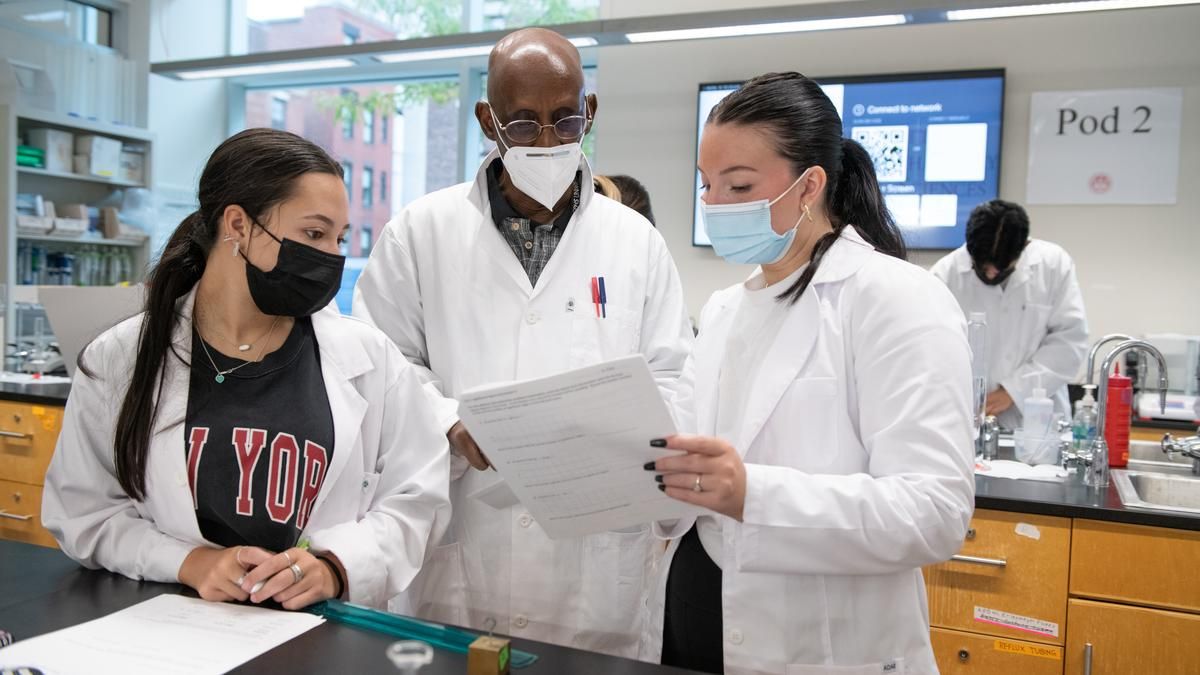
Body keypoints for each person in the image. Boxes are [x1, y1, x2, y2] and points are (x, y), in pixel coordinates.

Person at [353, 27, 693, 657]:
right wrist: (450, 421)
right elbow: (380, 364)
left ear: (590, 113)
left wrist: (627, 432)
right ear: (488, 120)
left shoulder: (634, 241)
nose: (545, 140)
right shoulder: (420, 233)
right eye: (523, 122)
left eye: (565, 121)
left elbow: (675, 376)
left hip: (597, 567)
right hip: (464, 548)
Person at [641, 72, 975, 675]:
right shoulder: (724, 310)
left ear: (809, 185)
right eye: (707, 185)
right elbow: (683, 468)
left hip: (828, 646)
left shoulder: (894, 300)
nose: (715, 205)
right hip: (700, 624)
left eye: (738, 185)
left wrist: (754, 494)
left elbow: (934, 511)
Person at [42, 128, 450, 611]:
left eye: (339, 238)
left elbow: (416, 499)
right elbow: (84, 513)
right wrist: (189, 561)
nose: (332, 257)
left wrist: (335, 566)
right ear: (237, 224)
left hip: (316, 635)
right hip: (166, 628)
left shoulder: (369, 360)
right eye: (313, 234)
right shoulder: (120, 357)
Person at [930, 199, 1088, 431]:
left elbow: (1070, 341)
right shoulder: (944, 275)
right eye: (982, 266)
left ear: (1024, 246)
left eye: (1001, 267)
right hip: (966, 419)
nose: (991, 274)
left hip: (1037, 424)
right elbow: (933, 349)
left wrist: (1014, 390)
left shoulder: (1053, 265)